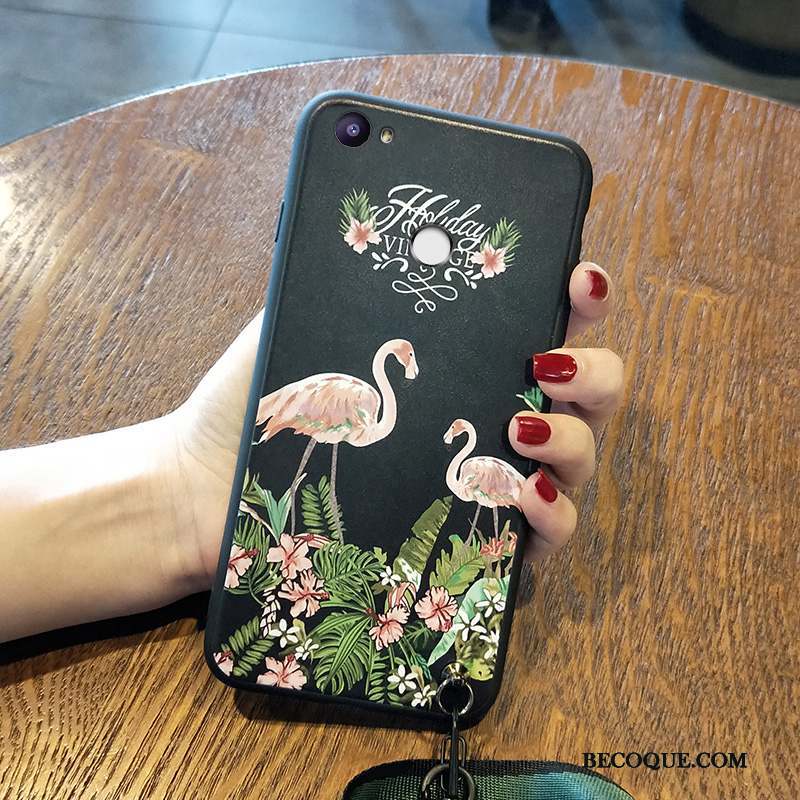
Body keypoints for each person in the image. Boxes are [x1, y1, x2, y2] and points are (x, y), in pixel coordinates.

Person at [0, 262, 622, 643]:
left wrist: (181, 490)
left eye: (405, 361)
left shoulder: (368, 406)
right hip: (309, 421)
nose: (406, 369)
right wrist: (187, 472)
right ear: (393, 359)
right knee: (305, 476)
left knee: (318, 475)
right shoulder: (357, 402)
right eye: (404, 360)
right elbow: (308, 425)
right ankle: (311, 535)